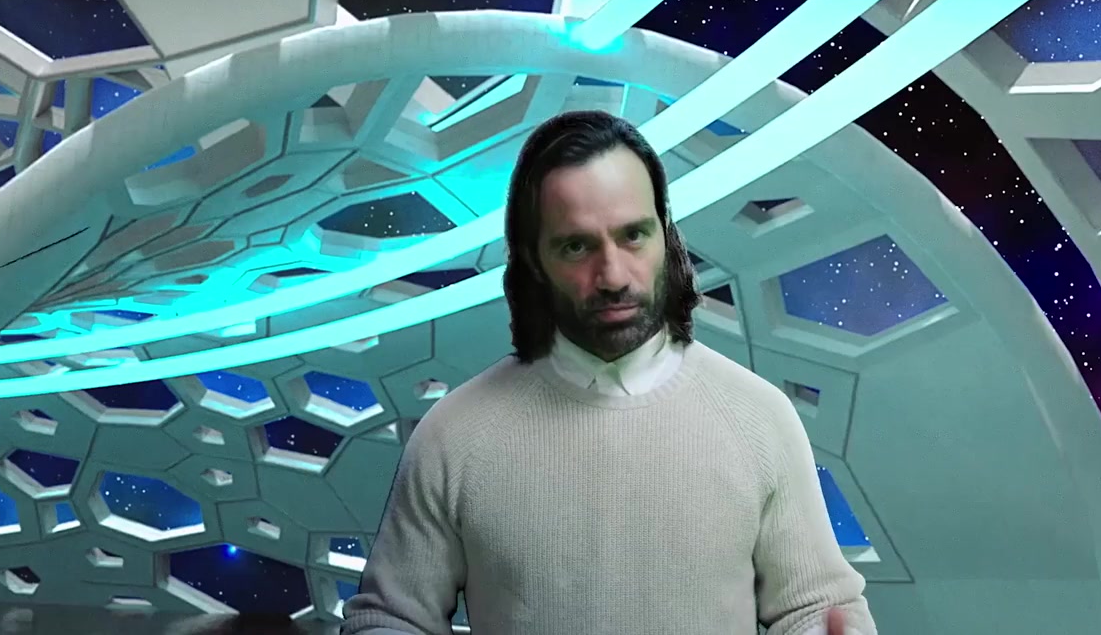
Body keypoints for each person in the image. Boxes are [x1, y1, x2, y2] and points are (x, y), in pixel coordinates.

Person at [341, 110, 877, 635]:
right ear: (533, 259)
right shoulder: (454, 434)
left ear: (666, 235)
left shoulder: (759, 417)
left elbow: (815, 606)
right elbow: (392, 619)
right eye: (576, 246)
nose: (613, 276)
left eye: (634, 235)